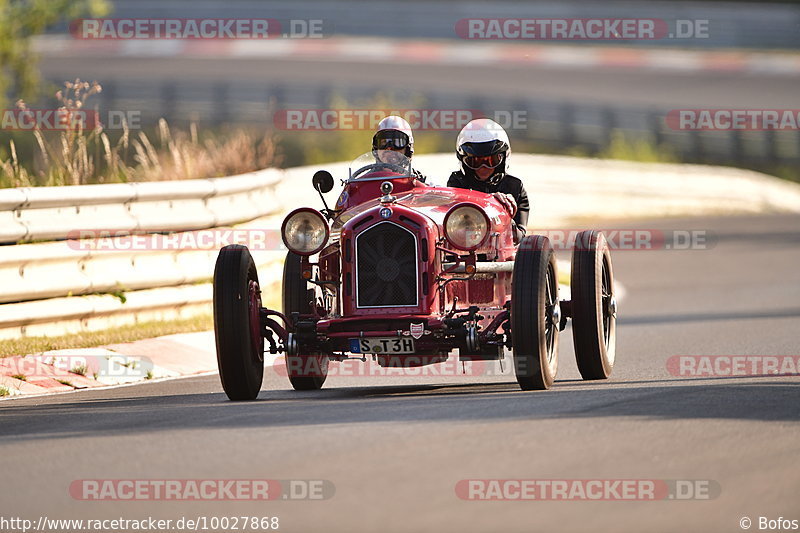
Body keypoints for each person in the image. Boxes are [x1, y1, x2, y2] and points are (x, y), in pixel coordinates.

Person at [447, 118, 529, 244]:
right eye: (475, 162)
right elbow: (453, 225)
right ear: (464, 161)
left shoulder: (514, 187)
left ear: (503, 158)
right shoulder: (457, 183)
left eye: (491, 161)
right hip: (464, 248)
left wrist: (505, 214)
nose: (483, 168)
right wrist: (491, 201)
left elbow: (519, 237)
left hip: (502, 255)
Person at [372, 116, 427, 182]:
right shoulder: (364, 182)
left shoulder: (419, 182)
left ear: (408, 148)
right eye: (383, 142)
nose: (389, 148)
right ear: (376, 148)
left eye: (397, 142)